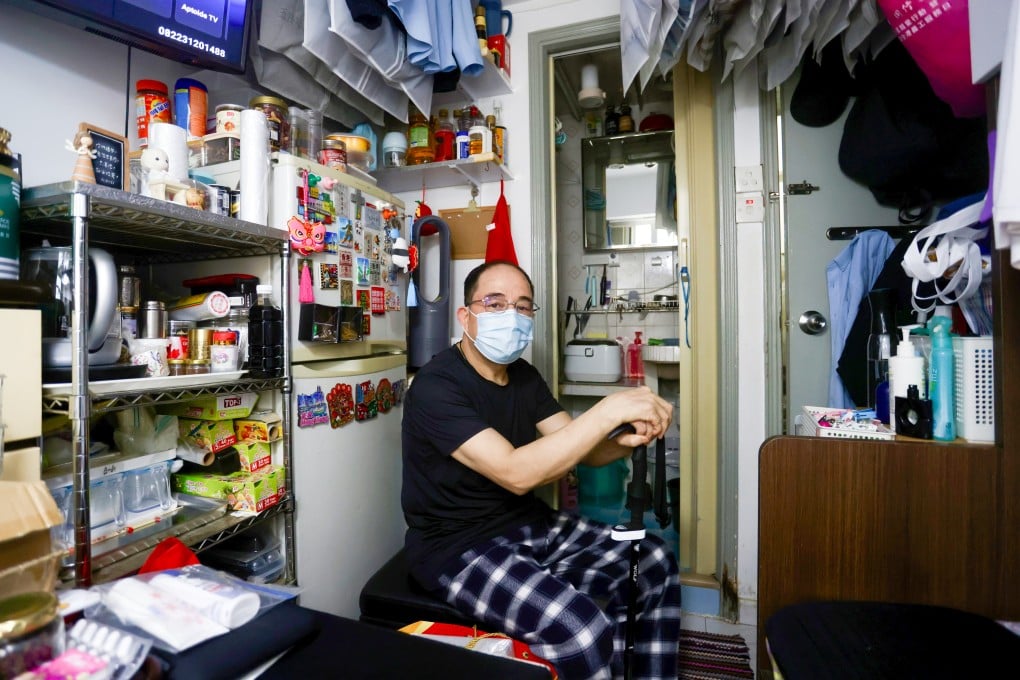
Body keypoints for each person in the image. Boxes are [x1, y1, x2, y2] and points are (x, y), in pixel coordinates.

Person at [402, 260, 681, 679]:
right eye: (495, 303)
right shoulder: (435, 386)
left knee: (654, 560)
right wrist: (608, 410)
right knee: (581, 631)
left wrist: (625, 438)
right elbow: (516, 473)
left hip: (529, 524)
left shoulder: (524, 377)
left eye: (522, 306)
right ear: (465, 316)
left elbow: (582, 450)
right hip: (459, 547)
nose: (510, 315)